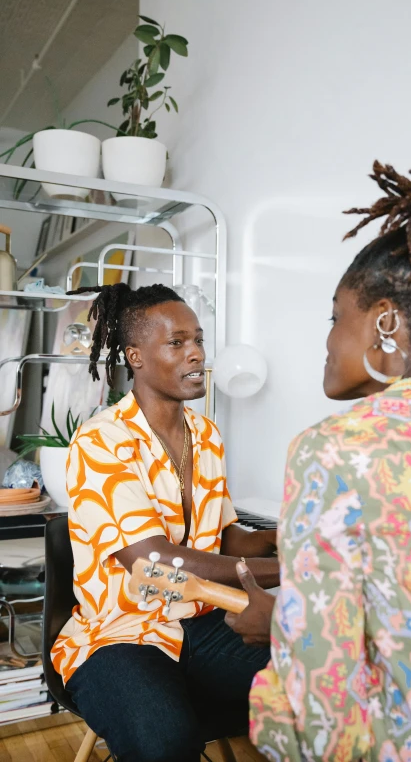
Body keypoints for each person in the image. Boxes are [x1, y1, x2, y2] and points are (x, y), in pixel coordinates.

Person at [226, 146, 411, 761]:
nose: (328, 339)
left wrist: (276, 630)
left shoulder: (331, 451)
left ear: (385, 324)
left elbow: (322, 695)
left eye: (336, 317)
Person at [51, 283, 279, 762]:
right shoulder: (101, 441)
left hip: (203, 622)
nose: (196, 353)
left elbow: (224, 535)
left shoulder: (207, 434)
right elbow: (151, 558)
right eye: (177, 343)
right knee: (164, 743)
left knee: (323, 681)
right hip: (120, 634)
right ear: (135, 355)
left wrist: (289, 539)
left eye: (197, 340)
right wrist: (291, 569)